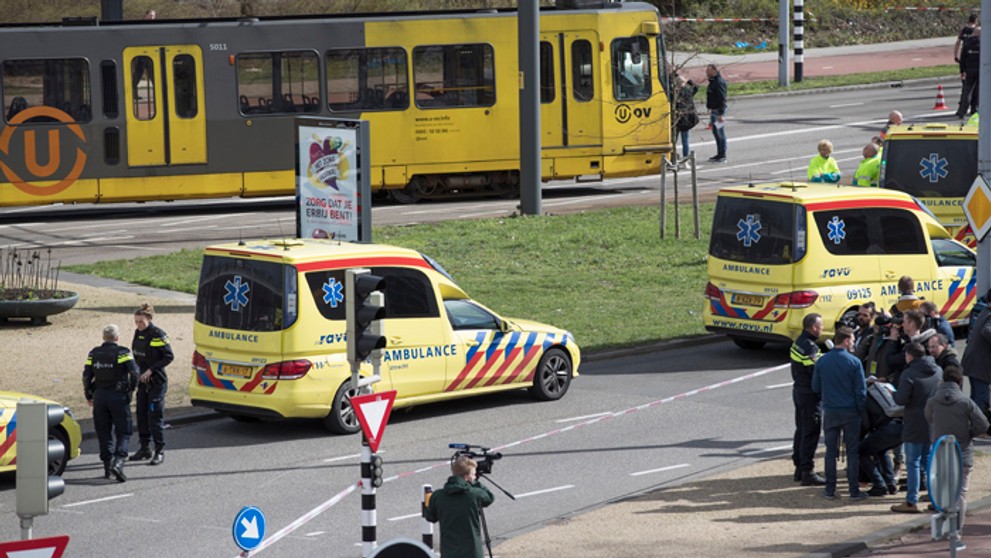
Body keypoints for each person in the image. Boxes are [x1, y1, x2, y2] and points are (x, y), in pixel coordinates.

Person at [924, 366, 989, 538]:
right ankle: (956, 530)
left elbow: (928, 417)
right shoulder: (966, 402)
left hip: (941, 452)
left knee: (943, 490)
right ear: (960, 381)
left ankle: (944, 527)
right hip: (963, 452)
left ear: (943, 380)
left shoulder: (932, 401)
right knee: (961, 493)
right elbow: (983, 424)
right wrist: (969, 434)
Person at [812, 326, 868, 500]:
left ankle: (829, 489)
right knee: (852, 452)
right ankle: (853, 490)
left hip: (831, 410)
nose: (852, 343)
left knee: (830, 452)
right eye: (851, 340)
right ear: (845, 341)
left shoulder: (822, 361)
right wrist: (862, 412)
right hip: (850, 412)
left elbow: (815, 387)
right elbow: (861, 392)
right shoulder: (854, 362)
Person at [83, 324, 140, 482]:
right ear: (117, 337)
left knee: (103, 432)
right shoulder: (122, 352)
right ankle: (119, 462)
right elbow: (135, 373)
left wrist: (88, 394)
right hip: (118, 397)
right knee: (124, 431)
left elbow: (87, 376)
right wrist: (131, 390)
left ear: (103, 337)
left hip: (99, 397)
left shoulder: (94, 353)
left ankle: (107, 467)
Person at [890, 342, 941, 513]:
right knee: (929, 462)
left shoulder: (909, 373)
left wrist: (893, 393)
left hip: (914, 423)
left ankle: (911, 501)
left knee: (913, 462)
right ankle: (934, 498)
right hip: (932, 422)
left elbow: (901, 399)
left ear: (910, 356)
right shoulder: (937, 370)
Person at [425, 455, 495, 558]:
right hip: (472, 552)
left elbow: (430, 517)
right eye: (474, 475)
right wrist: (475, 483)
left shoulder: (438, 496)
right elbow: (489, 497)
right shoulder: (474, 494)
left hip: (449, 552)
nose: (475, 477)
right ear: (467, 477)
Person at [130, 303, 174, 466]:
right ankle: (144, 448)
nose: (138, 325)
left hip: (156, 382)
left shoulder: (158, 334)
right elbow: (136, 355)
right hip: (143, 382)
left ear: (149, 319)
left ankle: (159, 451)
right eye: (136, 322)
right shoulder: (137, 333)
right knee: (141, 415)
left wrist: (151, 370)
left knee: (155, 417)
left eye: (141, 321)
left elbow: (168, 357)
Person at [790, 313, 826, 486]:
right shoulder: (811, 348)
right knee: (811, 432)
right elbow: (816, 374)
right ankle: (807, 471)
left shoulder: (799, 342)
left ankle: (798, 466)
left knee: (801, 430)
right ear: (813, 327)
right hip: (810, 396)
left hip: (798, 391)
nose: (822, 329)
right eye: (821, 326)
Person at [859, 378, 903, 497]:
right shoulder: (886, 388)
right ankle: (891, 484)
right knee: (881, 451)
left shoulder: (865, 396)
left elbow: (865, 424)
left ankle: (879, 485)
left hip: (886, 430)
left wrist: (860, 436)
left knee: (860, 451)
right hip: (902, 428)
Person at [961, 301, 991, 422]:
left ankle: (972, 424)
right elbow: (987, 330)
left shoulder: (985, 310)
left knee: (976, 395)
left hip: (974, 362)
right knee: (981, 396)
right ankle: (979, 427)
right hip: (979, 364)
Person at [673, 74, 699, 166]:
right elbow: (696, 87)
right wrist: (689, 81)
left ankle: (673, 159)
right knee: (685, 141)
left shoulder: (674, 93)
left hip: (676, 120)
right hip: (685, 120)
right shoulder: (688, 92)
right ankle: (685, 160)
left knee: (673, 141)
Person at [705, 63, 728, 163]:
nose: (707, 72)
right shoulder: (713, 81)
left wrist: (721, 114)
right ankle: (719, 154)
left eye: (708, 70)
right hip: (714, 111)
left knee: (719, 133)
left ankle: (722, 155)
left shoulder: (718, 82)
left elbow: (722, 99)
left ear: (714, 71)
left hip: (718, 111)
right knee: (715, 132)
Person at [957, 26, 981, 119]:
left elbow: (963, 58)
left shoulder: (967, 44)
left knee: (967, 91)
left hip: (969, 70)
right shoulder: (983, 44)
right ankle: (976, 110)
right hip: (980, 70)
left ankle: (962, 111)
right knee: (979, 91)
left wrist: (962, 71)